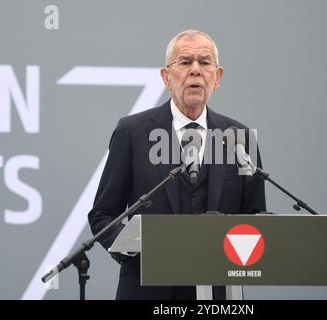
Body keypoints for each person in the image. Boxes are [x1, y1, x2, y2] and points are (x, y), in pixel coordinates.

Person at [88, 30, 266, 300]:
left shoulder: (239, 138)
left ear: (217, 77)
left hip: (219, 293)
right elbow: (102, 215)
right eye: (185, 62)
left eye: (205, 63)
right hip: (147, 289)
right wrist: (139, 247)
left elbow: (256, 220)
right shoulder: (132, 132)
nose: (195, 70)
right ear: (166, 77)